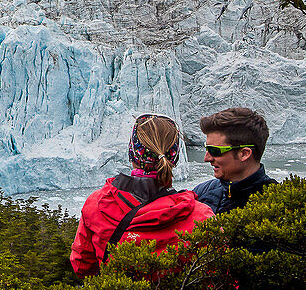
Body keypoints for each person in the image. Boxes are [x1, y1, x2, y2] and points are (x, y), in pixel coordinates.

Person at [70, 113, 214, 278]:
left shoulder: (97, 204)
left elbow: (82, 265)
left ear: (132, 152)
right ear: (174, 157)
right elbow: (219, 281)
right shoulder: (201, 217)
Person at [193, 107, 277, 214]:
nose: (207, 158)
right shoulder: (201, 192)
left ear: (244, 154)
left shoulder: (276, 205)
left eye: (214, 150)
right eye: (206, 148)